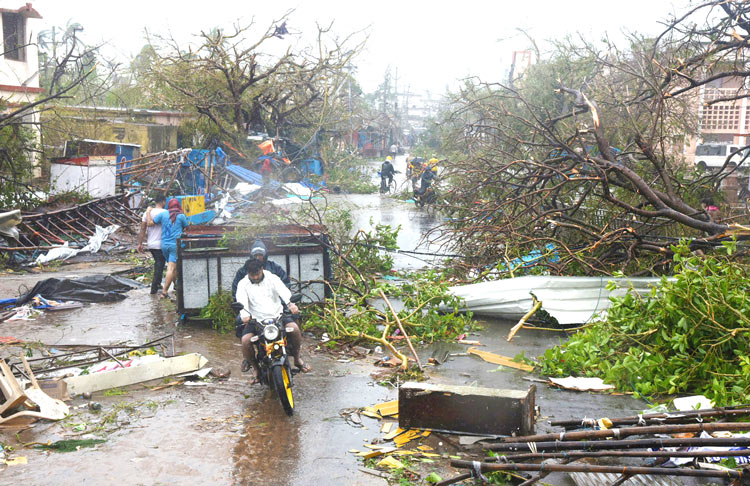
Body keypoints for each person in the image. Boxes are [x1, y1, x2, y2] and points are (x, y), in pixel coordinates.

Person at [236, 259, 310, 381]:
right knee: (245, 341)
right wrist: (244, 315)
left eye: (257, 274)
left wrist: (290, 304)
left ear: (262, 269)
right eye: (252, 275)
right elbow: (241, 301)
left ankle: (297, 359)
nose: (255, 277)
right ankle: (255, 368)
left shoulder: (272, 278)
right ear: (247, 272)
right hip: (256, 320)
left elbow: (284, 292)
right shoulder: (243, 284)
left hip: (278, 315)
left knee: (295, 329)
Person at [147, 198, 189, 298]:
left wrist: (148, 212)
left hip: (164, 245)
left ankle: (177, 286)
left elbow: (150, 223)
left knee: (172, 268)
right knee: (171, 268)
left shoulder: (163, 214)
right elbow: (187, 227)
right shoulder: (181, 216)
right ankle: (165, 292)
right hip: (175, 245)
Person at [137, 194, 167, 294]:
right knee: (160, 264)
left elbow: (142, 229)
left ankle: (157, 285)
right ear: (163, 202)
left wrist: (140, 243)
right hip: (162, 243)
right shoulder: (165, 213)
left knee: (159, 264)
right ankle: (154, 289)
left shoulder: (147, 213)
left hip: (151, 244)